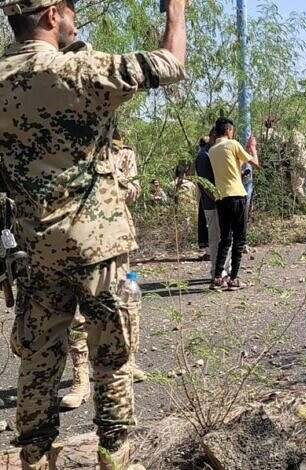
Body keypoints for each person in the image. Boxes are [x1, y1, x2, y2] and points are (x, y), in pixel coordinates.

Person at [0, 0, 187, 468]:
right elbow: (169, 64)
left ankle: (35, 459)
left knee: (39, 365)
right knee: (112, 364)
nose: (74, 18)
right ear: (50, 16)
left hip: (36, 249)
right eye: (69, 10)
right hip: (97, 246)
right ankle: (114, 457)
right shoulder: (80, 71)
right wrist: (176, 12)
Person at [61, 128, 147, 413]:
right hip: (76, 240)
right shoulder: (73, 149)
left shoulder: (124, 153)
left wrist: (113, 181)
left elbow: (134, 189)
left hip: (114, 239)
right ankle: (80, 379)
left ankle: (128, 360)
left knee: (123, 303)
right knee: (76, 315)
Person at [208, 118, 260, 291]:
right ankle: (233, 278)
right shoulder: (233, 144)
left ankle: (217, 277)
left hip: (222, 198)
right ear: (229, 130)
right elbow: (255, 163)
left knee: (225, 238)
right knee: (239, 239)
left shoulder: (212, 150)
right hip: (237, 195)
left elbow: (231, 170)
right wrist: (252, 148)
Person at [195, 132, 231, 280]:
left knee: (226, 237)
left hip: (222, 202)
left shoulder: (214, 153)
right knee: (216, 238)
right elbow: (205, 184)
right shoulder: (204, 156)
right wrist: (218, 200)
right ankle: (217, 272)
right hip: (213, 204)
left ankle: (225, 270)